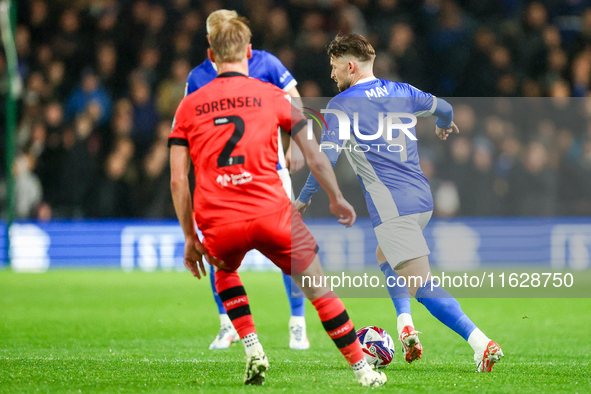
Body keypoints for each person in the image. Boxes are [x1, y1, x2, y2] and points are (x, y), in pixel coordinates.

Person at [168, 19, 386, 387]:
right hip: (272, 212)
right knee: (318, 286)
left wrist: (191, 237)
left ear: (211, 55)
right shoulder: (273, 97)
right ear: (249, 54)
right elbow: (314, 155)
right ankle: (362, 370)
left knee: (225, 271)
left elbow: (177, 180)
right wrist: (335, 197)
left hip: (219, 220)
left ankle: (252, 347)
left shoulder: (188, 107)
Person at [295, 33, 504, 372]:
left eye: (334, 68)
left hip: (393, 208)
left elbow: (325, 160)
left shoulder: (342, 105)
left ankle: (481, 343)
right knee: (384, 256)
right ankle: (405, 325)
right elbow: (446, 109)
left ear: (350, 66)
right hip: (422, 199)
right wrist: (444, 125)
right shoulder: (403, 91)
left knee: (422, 284)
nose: (332, 75)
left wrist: (302, 201)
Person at [184, 9, 309, 350]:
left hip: (270, 172)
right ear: (211, 40)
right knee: (216, 251)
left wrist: (297, 143)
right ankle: (227, 324)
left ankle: (297, 321)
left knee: (290, 246)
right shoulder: (197, 77)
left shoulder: (266, 63)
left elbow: (294, 102)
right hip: (223, 179)